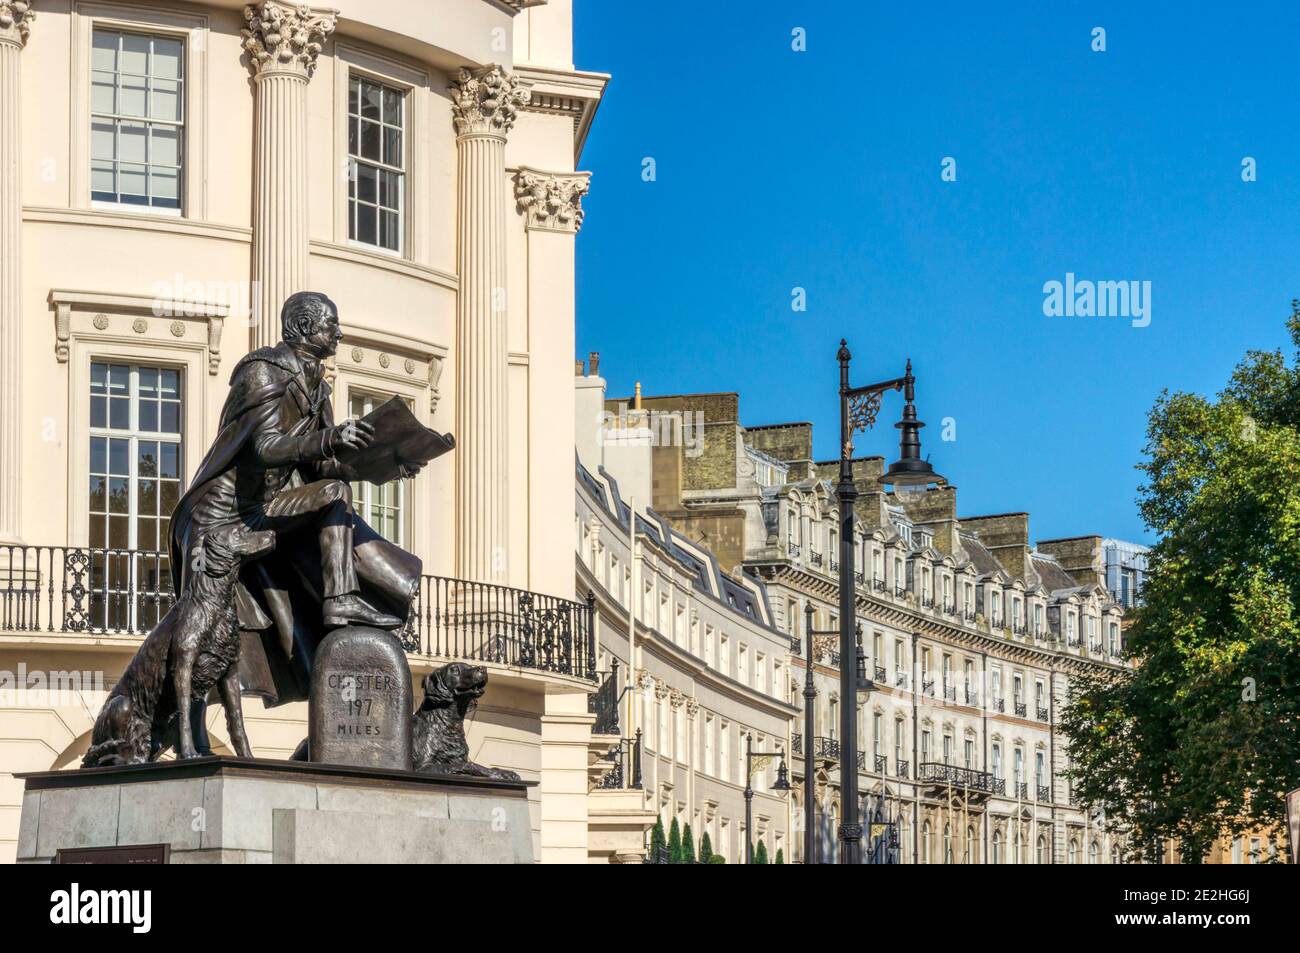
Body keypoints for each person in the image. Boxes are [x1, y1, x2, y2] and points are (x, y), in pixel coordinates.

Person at [169, 291, 424, 709]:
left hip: (267, 506)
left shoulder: (316, 387)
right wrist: (329, 437)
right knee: (200, 651)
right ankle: (339, 600)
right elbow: (264, 448)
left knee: (335, 491)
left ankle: (343, 600)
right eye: (331, 325)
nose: (339, 334)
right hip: (224, 513)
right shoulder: (262, 372)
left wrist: (389, 465)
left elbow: (321, 469)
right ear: (306, 328)